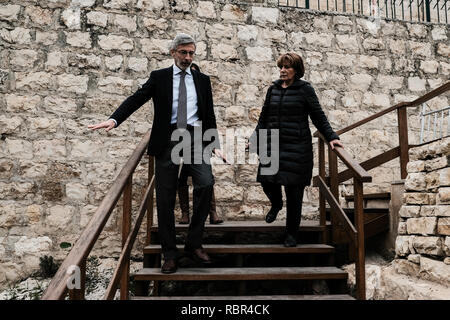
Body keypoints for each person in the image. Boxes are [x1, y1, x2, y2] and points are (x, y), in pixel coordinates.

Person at [88, 33, 223, 274]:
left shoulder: (202, 80)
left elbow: (209, 113)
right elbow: (137, 98)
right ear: (173, 53)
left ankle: (193, 244)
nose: (188, 57)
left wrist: (214, 143)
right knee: (165, 197)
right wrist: (114, 119)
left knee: (205, 182)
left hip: (194, 138)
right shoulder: (159, 77)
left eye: (191, 52)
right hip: (168, 139)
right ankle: (169, 254)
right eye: (183, 52)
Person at [252, 52, 343, 247]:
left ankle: (291, 234)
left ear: (296, 70)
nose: (283, 70)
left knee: (294, 193)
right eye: (281, 67)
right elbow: (264, 116)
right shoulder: (273, 89)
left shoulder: (305, 90)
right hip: (272, 144)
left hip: (297, 148)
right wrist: (255, 138)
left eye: (287, 67)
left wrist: (331, 137)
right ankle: (276, 204)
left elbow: (318, 116)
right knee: (267, 181)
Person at [177, 63, 223, 225]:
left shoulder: (201, 96)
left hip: (199, 140)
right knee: (182, 178)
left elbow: (209, 119)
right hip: (181, 140)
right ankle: (186, 213)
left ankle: (211, 211)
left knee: (205, 178)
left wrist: (213, 144)